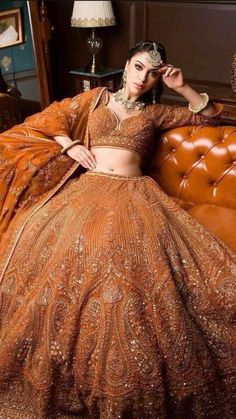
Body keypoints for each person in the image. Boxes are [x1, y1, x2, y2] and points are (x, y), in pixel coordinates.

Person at [0, 41, 235, 419]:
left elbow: (210, 116)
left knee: (123, 261)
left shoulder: (157, 112)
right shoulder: (94, 99)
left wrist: (181, 86)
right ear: (126, 66)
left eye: (152, 72)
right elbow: (50, 118)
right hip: (86, 190)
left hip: (134, 195)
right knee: (61, 257)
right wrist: (69, 144)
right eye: (138, 67)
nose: (143, 77)